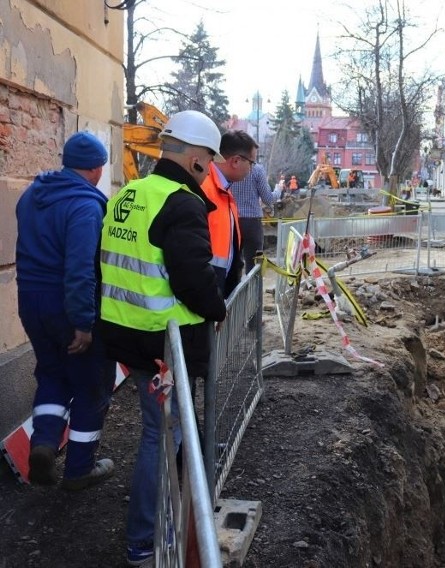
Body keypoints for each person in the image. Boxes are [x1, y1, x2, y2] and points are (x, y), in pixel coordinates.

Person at [99, 110, 227, 567]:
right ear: (195, 159)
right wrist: (218, 308)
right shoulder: (180, 202)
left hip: (127, 336)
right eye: (209, 159)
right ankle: (143, 541)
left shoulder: (129, 193)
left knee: (162, 434)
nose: (210, 168)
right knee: (162, 437)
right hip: (163, 346)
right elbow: (192, 278)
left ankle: (158, 525)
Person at [15, 131, 114, 490]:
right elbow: (79, 270)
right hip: (66, 304)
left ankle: (43, 444)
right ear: (96, 168)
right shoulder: (85, 206)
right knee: (89, 385)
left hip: (30, 300)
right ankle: (79, 469)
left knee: (53, 374)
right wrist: (84, 323)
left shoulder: (32, 196)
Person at [201, 130, 258, 296]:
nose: (251, 169)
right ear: (236, 161)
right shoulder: (205, 188)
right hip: (206, 292)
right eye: (251, 163)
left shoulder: (222, 189)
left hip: (216, 289)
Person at [230, 161, 280, 274]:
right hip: (252, 222)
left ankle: (233, 291)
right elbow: (268, 199)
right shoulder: (257, 169)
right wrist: (278, 190)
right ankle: (253, 291)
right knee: (254, 265)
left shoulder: (229, 166)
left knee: (232, 263)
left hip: (232, 219)